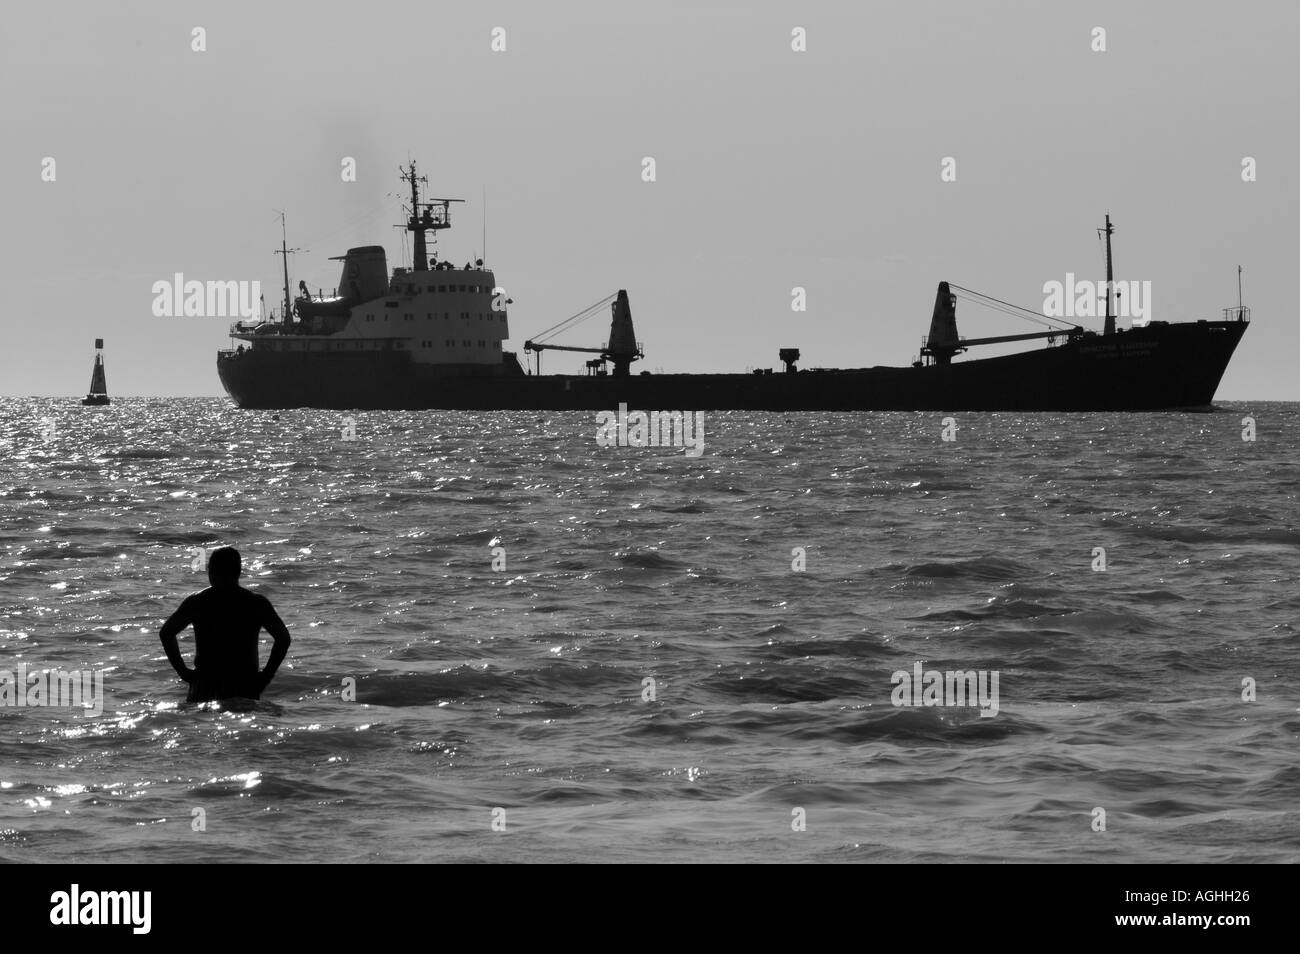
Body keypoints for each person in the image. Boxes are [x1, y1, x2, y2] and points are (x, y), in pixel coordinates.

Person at [160, 547, 292, 702]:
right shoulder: (255, 603)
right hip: (243, 683)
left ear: (211, 572)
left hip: (206, 683)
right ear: (238, 571)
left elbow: (166, 633)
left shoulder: (197, 602)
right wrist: (265, 677)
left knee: (201, 724)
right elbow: (283, 638)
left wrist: (184, 673)